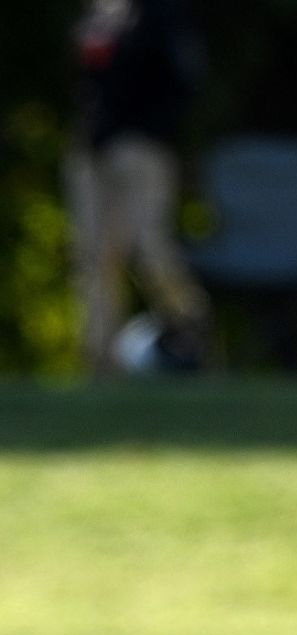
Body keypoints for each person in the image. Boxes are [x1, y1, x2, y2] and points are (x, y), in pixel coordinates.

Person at [65, 0, 212, 376]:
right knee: (94, 258)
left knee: (150, 248)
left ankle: (192, 329)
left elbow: (184, 80)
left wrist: (151, 131)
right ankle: (101, 364)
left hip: (141, 150)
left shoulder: (162, 13)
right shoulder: (98, 11)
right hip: (91, 149)